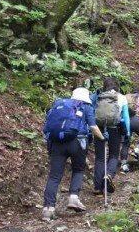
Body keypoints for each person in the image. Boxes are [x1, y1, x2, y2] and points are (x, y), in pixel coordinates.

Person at [41, 87, 105, 221]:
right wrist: (102, 138)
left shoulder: (60, 104)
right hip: (77, 142)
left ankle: (48, 208)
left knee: (54, 176)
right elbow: (93, 127)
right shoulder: (86, 106)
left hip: (57, 142)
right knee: (78, 169)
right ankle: (73, 198)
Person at [92, 77, 131, 195]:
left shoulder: (99, 96)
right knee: (113, 155)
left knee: (99, 157)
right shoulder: (122, 97)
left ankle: (98, 187)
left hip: (99, 128)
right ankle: (109, 174)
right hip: (115, 128)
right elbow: (126, 117)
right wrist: (127, 132)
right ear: (117, 86)